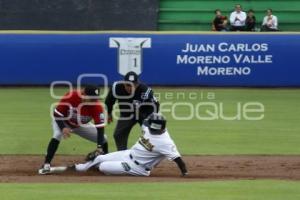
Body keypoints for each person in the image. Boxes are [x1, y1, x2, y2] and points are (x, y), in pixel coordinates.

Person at [73, 113, 188, 176]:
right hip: (128, 154)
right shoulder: (149, 127)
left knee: (103, 166)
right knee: (100, 158)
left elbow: (178, 159)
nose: (147, 125)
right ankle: (77, 168)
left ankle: (101, 169)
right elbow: (144, 121)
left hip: (138, 167)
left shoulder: (166, 143)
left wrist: (185, 173)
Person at [38, 85, 108, 175]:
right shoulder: (71, 96)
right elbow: (57, 113)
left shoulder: (96, 106)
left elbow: (100, 128)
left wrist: (99, 147)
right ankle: (46, 163)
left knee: (103, 139)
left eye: (95, 99)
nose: (94, 101)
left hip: (80, 125)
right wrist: (63, 127)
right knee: (57, 134)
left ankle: (104, 162)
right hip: (62, 121)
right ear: (83, 94)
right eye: (91, 98)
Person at [105, 71, 159, 151]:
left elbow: (156, 105)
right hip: (127, 113)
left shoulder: (145, 91)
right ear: (123, 83)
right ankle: (123, 154)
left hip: (145, 113)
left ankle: (152, 155)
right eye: (128, 85)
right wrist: (109, 113)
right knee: (118, 134)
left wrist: (152, 119)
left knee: (151, 134)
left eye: (134, 85)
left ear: (138, 84)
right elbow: (109, 101)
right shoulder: (116, 88)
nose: (131, 87)